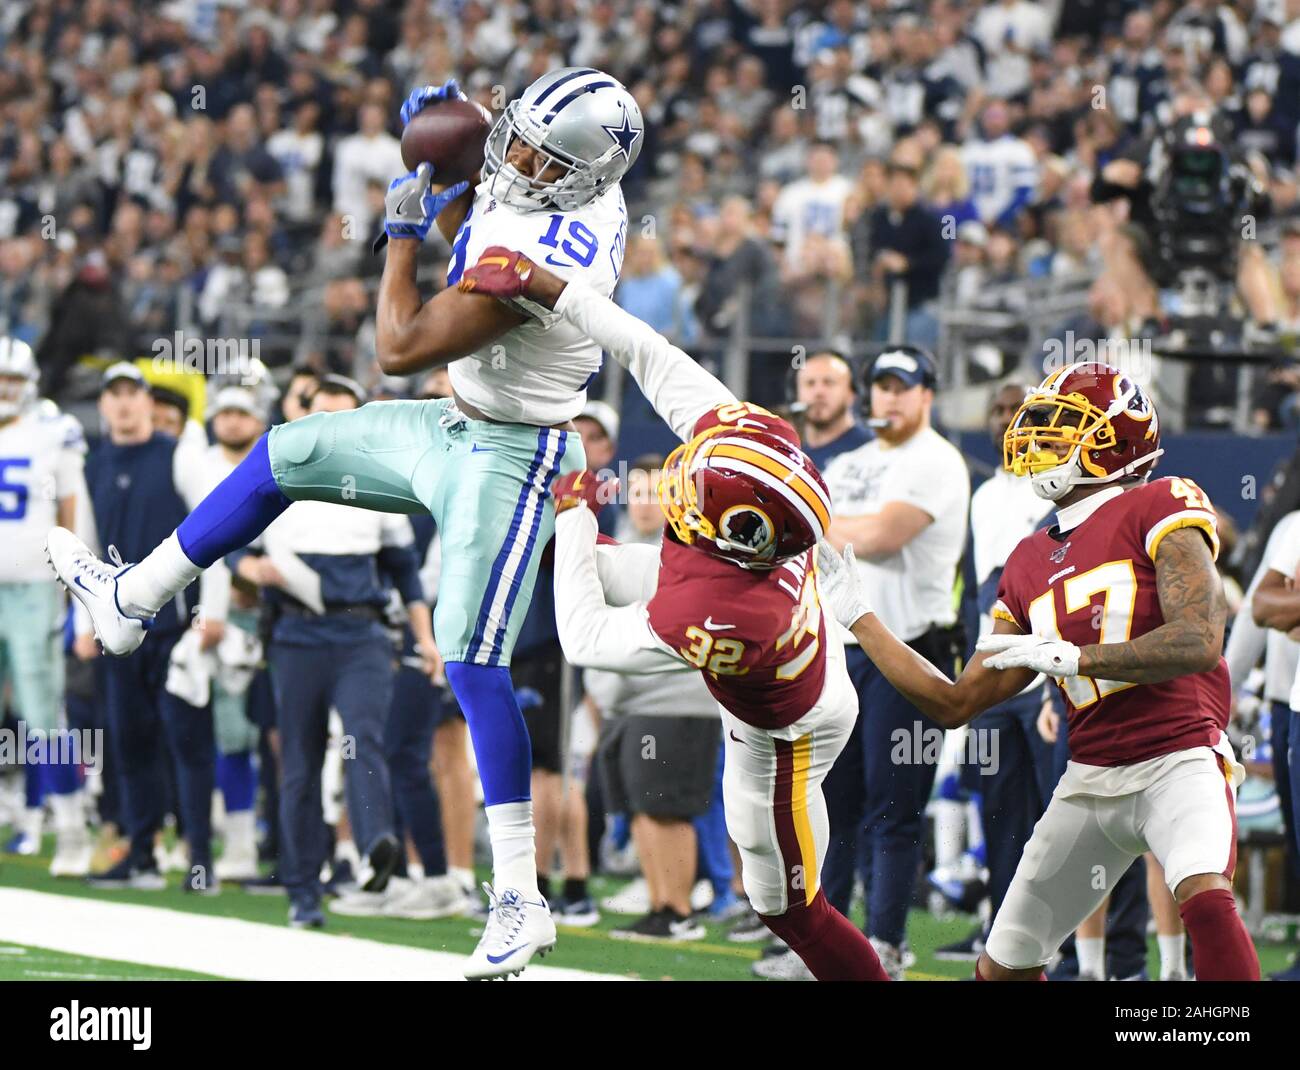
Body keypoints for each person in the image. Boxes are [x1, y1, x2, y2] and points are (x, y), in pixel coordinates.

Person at [47, 69, 642, 980]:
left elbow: (398, 345)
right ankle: (135, 596)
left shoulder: (549, 253)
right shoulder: (564, 182)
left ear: (584, 176)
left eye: (538, 156)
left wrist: (400, 234)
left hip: (517, 456)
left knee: (471, 657)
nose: (516, 160)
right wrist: (459, 155)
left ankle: (521, 897)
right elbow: (481, 233)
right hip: (456, 424)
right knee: (284, 452)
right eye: (515, 136)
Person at [455, 244, 890, 981]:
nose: (678, 482)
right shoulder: (759, 446)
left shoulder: (723, 608)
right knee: (593, 562)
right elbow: (645, 347)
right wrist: (547, 285)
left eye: (692, 491)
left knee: (789, 910)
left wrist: (575, 512)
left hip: (785, 735)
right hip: (804, 643)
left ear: (731, 537)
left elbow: (586, 638)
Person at [814, 360, 1260, 982]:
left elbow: (1200, 640)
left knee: (1205, 898)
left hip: (1177, 756)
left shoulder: (1161, 502)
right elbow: (954, 701)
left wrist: (1078, 658)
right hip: (1089, 773)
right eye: (1041, 428)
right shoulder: (1026, 559)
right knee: (1002, 969)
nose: (1039, 442)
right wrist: (861, 617)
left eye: (1062, 430)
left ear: (1113, 441)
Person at [225, 375, 432, 928]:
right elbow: (231, 547)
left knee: (365, 735)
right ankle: (302, 889)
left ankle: (373, 848)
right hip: (295, 634)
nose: (337, 428)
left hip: (360, 631)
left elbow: (404, 572)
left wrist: (426, 637)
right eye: (327, 415)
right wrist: (250, 569)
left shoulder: (383, 481)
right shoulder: (280, 474)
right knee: (299, 762)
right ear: (307, 416)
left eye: (348, 416)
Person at [818, 345, 971, 978]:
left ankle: (885, 941)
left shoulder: (937, 460)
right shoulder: (850, 459)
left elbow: (882, 537)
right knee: (833, 803)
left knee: (892, 803)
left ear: (927, 394)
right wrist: (838, 524)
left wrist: (821, 522)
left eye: (902, 387)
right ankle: (826, 944)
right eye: (881, 386)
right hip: (842, 646)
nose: (889, 398)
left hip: (910, 649)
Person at [80, 363, 219, 893]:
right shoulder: (94, 463)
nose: (122, 404)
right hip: (116, 628)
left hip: (173, 625)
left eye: (130, 394)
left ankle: (199, 861)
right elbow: (87, 552)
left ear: (144, 400)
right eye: (112, 395)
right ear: (103, 405)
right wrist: (82, 620)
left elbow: (213, 533)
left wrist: (209, 614)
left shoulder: (178, 454)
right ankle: (141, 854)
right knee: (130, 742)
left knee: (186, 742)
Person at [937, 382, 1053, 962]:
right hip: (993, 670)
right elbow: (975, 585)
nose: (1008, 421)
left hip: (1048, 675)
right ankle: (1002, 935)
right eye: (999, 411)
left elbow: (1019, 581)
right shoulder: (984, 496)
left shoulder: (1058, 489)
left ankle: (1090, 952)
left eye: (1020, 410)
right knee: (999, 812)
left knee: (1062, 812)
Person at [0, 338, 93, 876]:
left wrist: (78, 590)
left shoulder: (53, 433)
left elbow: (74, 512)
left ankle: (73, 828)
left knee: (43, 715)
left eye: (13, 378)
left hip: (35, 587)